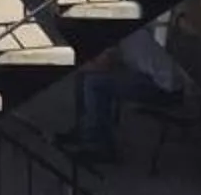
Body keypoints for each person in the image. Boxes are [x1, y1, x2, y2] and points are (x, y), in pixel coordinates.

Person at [63, 14, 181, 162]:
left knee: (94, 83)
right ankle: (84, 129)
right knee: (84, 77)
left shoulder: (124, 34)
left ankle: (100, 147)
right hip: (149, 76)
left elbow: (105, 63)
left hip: (164, 88)